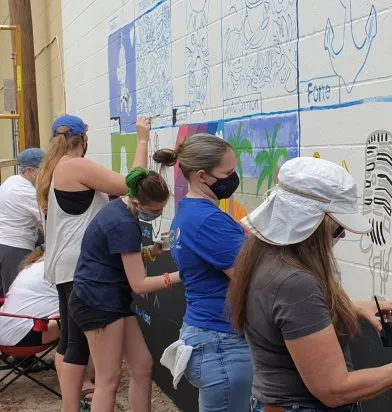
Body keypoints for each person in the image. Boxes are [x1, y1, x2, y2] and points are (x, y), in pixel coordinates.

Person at [228, 157, 392, 412]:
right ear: (312, 225)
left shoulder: (264, 255)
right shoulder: (295, 284)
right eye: (337, 228)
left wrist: (353, 307)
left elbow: (286, 317)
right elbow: (335, 390)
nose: (342, 235)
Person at [37, 114, 152, 412]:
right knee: (83, 354)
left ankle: (70, 407)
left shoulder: (56, 168)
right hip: (82, 269)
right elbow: (132, 184)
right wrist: (142, 139)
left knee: (72, 345)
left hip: (67, 267)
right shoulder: (74, 166)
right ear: (83, 139)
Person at [70, 166, 181, 412]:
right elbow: (139, 284)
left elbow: (118, 256)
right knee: (108, 379)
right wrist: (180, 275)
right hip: (97, 302)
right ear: (138, 202)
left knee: (141, 366)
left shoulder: (119, 209)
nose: (158, 214)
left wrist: (150, 252)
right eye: (155, 210)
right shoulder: (123, 224)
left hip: (110, 297)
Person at [156, 134, 253, 411]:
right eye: (228, 173)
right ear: (202, 175)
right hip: (221, 342)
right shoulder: (208, 220)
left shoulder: (188, 211)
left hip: (206, 335)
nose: (233, 179)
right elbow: (252, 279)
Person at [0, 148, 45, 297]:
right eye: (43, 169)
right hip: (14, 248)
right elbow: (48, 220)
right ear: (30, 171)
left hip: (4, 243)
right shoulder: (27, 192)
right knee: (15, 294)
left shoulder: (12, 180)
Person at [0, 247, 59, 347]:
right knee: (77, 317)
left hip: (4, 333)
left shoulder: (30, 267)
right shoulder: (56, 268)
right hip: (24, 337)